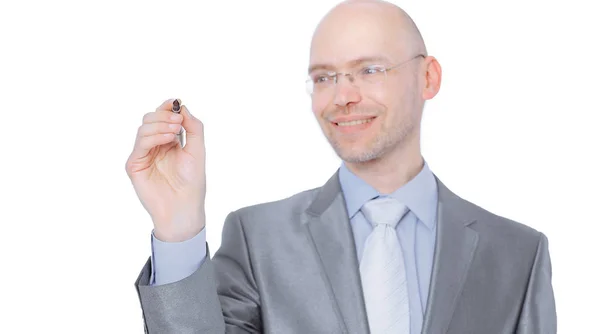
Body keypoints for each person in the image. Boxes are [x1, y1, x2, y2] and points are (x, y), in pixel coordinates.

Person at [125, 0, 557, 333]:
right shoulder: (258, 240)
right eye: (324, 77)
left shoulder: (518, 253)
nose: (342, 96)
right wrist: (178, 228)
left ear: (428, 78)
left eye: (368, 69)